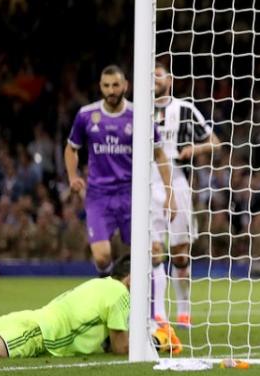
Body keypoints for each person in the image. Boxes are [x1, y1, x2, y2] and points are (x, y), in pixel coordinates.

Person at [64, 65, 176, 275]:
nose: (111, 90)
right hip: (98, 195)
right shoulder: (86, 115)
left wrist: (170, 194)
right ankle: (108, 290)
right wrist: (73, 176)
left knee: (150, 253)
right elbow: (71, 148)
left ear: (126, 85)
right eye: (106, 86)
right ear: (100, 87)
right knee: (101, 255)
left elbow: (159, 155)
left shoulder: (140, 116)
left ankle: (149, 304)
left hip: (132, 195)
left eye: (115, 85)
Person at [0, 255, 181, 358]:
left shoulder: (103, 285)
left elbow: (110, 341)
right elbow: (120, 347)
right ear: (131, 279)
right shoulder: (120, 294)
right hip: (39, 333)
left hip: (26, 322)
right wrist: (156, 342)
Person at [150, 61, 220, 328]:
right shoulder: (139, 112)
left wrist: (193, 150)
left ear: (170, 79)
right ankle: (158, 313)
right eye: (151, 77)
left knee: (180, 252)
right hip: (147, 182)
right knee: (153, 250)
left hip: (177, 181)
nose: (154, 81)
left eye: (158, 76)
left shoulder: (184, 110)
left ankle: (183, 310)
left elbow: (214, 142)